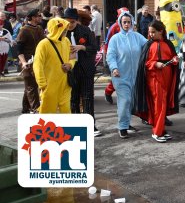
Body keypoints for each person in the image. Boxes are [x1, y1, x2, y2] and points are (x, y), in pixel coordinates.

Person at [133, 20, 179, 143]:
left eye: (153, 32)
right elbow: (145, 63)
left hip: (167, 78)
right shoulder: (148, 45)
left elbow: (172, 58)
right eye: (150, 32)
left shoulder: (168, 44)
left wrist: (174, 60)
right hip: (154, 79)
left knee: (162, 105)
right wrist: (155, 63)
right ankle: (157, 132)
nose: (151, 34)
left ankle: (161, 130)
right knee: (159, 105)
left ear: (161, 31)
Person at [106, 11, 147, 138]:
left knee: (130, 101)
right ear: (120, 23)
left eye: (129, 22)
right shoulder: (115, 39)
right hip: (120, 76)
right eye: (124, 22)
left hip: (135, 76)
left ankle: (126, 123)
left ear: (132, 23)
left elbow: (148, 46)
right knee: (125, 100)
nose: (127, 24)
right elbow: (110, 56)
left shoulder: (137, 36)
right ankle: (122, 127)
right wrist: (114, 68)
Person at [64, 8, 100, 136]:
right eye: (67, 22)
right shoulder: (61, 33)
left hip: (85, 69)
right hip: (70, 70)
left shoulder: (86, 31)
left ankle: (91, 125)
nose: (69, 25)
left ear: (77, 21)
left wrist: (82, 47)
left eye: (72, 22)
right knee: (73, 99)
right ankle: (76, 125)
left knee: (87, 98)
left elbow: (95, 48)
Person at [33, 18, 76, 114]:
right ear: (54, 29)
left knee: (66, 112)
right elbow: (37, 65)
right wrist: (42, 84)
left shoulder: (67, 41)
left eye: (66, 29)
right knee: (47, 114)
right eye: (63, 29)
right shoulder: (43, 44)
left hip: (65, 84)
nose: (65, 31)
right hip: (49, 86)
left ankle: (66, 129)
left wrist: (70, 64)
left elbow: (72, 57)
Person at [17, 9, 44, 113]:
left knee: (30, 86)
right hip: (27, 62)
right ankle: (36, 109)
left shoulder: (39, 28)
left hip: (38, 61)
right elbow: (19, 49)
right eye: (38, 16)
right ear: (33, 18)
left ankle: (25, 108)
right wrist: (23, 62)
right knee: (31, 86)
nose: (40, 18)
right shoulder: (24, 30)